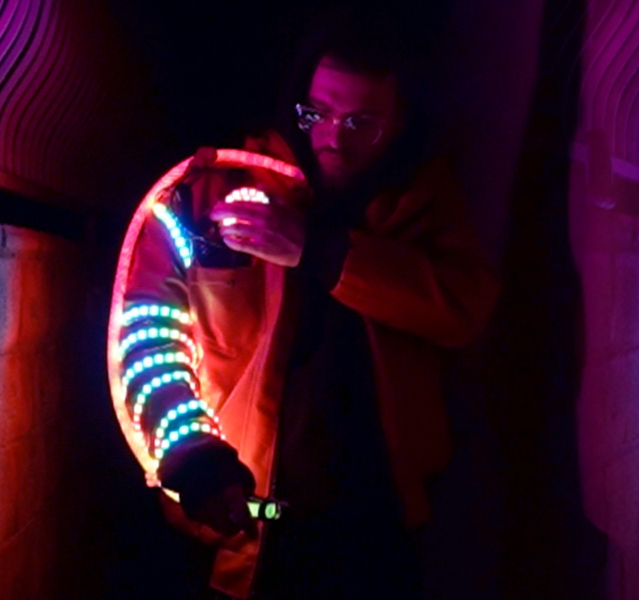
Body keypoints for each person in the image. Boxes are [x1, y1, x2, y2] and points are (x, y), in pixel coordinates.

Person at [112, 12, 499, 600]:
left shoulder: (423, 206)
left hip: (381, 533)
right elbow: (150, 335)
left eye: (361, 122)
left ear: (400, 123)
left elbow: (465, 308)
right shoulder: (211, 195)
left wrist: (318, 250)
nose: (333, 137)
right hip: (244, 527)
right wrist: (192, 453)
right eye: (316, 114)